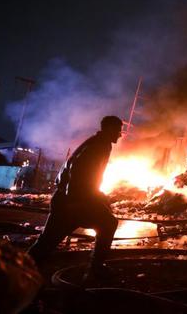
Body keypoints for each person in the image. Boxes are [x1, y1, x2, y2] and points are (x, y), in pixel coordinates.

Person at [28, 116, 123, 281]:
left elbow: (84, 176)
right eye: (118, 130)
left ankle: (18, 269)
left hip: (71, 198)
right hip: (74, 200)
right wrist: (74, 201)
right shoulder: (98, 145)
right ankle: (95, 270)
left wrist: (98, 196)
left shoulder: (98, 142)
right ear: (109, 129)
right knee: (108, 224)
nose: (120, 134)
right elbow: (77, 172)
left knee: (46, 242)